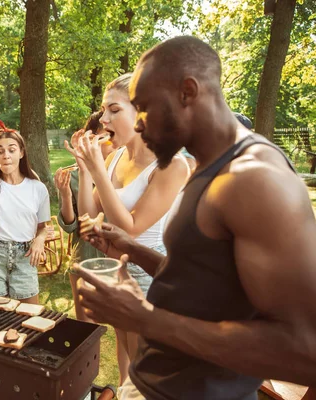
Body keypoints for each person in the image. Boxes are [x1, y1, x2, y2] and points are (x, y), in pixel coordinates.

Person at [74, 36, 316, 399]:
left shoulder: (255, 178)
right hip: (152, 384)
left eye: (143, 108)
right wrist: (133, 249)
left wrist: (144, 319)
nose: (137, 125)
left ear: (187, 92)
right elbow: (206, 283)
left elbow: (303, 349)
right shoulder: (204, 165)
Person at [67, 73, 189, 388]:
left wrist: (97, 171)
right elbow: (90, 215)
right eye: (104, 110)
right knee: (125, 367)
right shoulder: (118, 155)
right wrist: (86, 170)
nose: (104, 119)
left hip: (149, 275)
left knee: (143, 374)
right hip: (119, 268)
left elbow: (130, 229)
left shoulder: (172, 166)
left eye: (114, 110)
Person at [0, 120, 50, 304]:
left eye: (12, 150)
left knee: (28, 318)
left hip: (25, 256)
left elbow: (43, 227)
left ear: (21, 153)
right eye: (0, 151)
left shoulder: (37, 188)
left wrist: (39, 239)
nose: (6, 156)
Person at [54, 111, 112, 320]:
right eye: (105, 136)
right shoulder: (74, 175)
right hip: (86, 259)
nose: (111, 142)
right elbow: (70, 227)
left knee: (125, 335)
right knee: (86, 329)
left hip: (118, 262)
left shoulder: (123, 172)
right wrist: (65, 195)